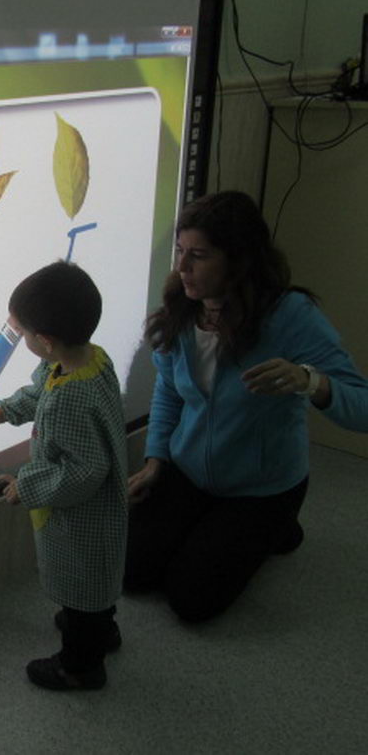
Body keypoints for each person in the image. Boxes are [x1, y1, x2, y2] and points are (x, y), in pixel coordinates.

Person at [126, 191, 368, 623]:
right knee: (130, 573)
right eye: (180, 251)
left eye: (198, 256)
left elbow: (361, 406)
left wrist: (311, 382)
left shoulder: (291, 315)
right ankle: (217, 528)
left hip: (261, 487)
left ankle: (278, 528)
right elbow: (168, 390)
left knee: (191, 601)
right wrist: (156, 458)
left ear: (239, 261)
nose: (181, 267)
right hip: (190, 470)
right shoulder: (182, 308)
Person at [0, 261, 127, 691]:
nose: (18, 339)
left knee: (82, 584)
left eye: (21, 334)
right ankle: (101, 627)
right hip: (98, 514)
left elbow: (84, 470)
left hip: (82, 521)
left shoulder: (69, 399)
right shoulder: (89, 360)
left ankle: (80, 666)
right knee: (94, 585)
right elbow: (41, 389)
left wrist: (27, 487)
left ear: (45, 342)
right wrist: (6, 411)